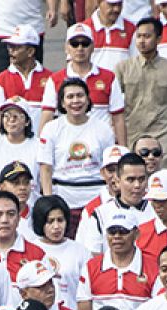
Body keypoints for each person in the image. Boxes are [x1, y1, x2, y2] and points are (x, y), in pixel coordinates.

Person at [114, 17, 167, 169]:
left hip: (164, 133)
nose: (142, 41)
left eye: (147, 36)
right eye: (139, 36)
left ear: (159, 39)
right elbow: (114, 106)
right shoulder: (123, 68)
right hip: (133, 133)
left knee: (163, 177)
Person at [37, 79, 116, 221]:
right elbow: (46, 168)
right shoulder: (51, 128)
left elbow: (110, 167)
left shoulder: (103, 129)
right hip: (64, 198)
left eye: (80, 95)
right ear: (62, 103)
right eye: (70, 97)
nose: (76, 101)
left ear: (87, 99)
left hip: (97, 197)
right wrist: (50, 201)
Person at [39, 23, 127, 143]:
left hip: (100, 142)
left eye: (85, 43)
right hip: (66, 142)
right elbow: (47, 116)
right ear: (66, 48)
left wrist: (122, 150)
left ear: (92, 47)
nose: (80, 48)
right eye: (74, 44)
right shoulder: (55, 80)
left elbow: (118, 118)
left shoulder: (109, 77)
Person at [0, 26, 51, 134]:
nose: (11, 51)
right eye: (10, 46)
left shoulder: (50, 78)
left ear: (30, 51)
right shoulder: (0, 80)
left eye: (16, 47)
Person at [85, 0, 136, 72]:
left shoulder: (131, 29)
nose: (116, 9)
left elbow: (136, 63)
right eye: (112, 5)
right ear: (99, 2)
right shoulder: (84, 29)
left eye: (119, 4)